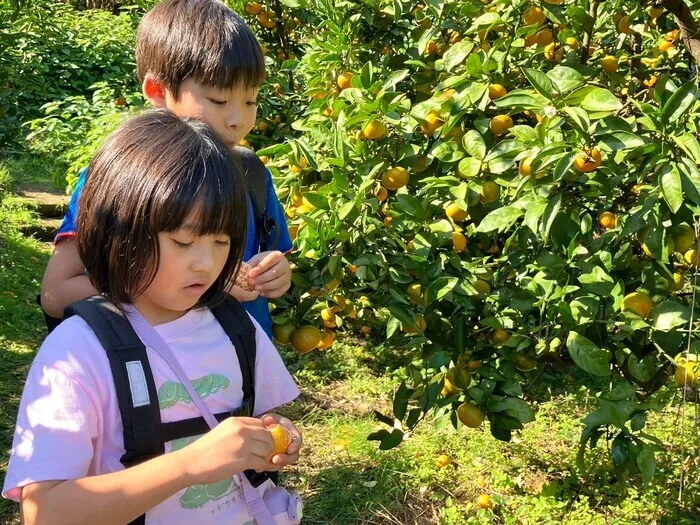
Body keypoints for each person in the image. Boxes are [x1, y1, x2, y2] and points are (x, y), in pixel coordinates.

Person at [3, 111, 303, 524]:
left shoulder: (234, 327)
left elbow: (257, 417)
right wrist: (187, 465)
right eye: (183, 242)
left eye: (221, 241)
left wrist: (274, 436)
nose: (206, 263)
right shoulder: (77, 354)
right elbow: (45, 512)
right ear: (120, 232)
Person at [40, 0, 292, 339]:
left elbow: (271, 253)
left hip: (241, 376)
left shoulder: (250, 175)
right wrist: (190, 285)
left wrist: (275, 271)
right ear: (158, 91)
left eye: (250, 101)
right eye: (218, 101)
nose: (238, 120)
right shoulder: (120, 178)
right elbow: (57, 293)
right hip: (151, 379)